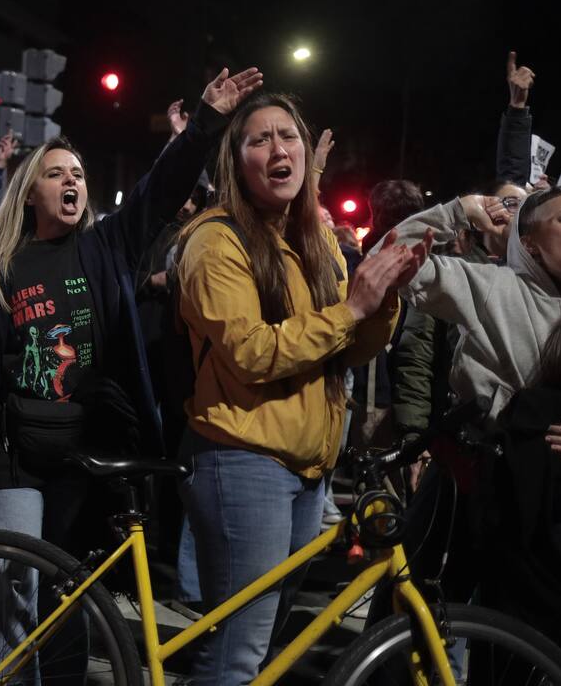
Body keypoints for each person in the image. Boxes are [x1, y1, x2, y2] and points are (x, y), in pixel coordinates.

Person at [0, 64, 265, 678]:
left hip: (86, 453)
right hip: (16, 454)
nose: (71, 182)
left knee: (69, 592)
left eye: (78, 175)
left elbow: (158, 191)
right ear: (29, 192)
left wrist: (205, 124)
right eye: (56, 174)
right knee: (10, 584)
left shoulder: (103, 246)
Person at [174, 92, 416, 685]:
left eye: (288, 136)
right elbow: (252, 351)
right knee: (238, 652)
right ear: (237, 162)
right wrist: (351, 309)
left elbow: (350, 348)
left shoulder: (318, 240)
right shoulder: (216, 239)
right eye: (260, 139)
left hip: (310, 468)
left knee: (258, 644)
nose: (279, 148)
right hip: (243, 458)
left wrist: (381, 300)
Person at [379, 185, 561, 652]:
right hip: (465, 481)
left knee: (522, 643)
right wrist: (455, 211)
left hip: (543, 499)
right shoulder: (490, 286)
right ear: (528, 242)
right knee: (415, 622)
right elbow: (390, 260)